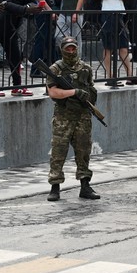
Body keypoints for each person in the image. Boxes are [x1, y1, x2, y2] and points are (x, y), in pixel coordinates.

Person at [45, 36, 100, 202]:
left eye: (73, 48)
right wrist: (73, 92)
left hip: (82, 115)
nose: (71, 51)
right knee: (58, 151)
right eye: (67, 48)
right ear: (62, 49)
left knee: (83, 151)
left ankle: (85, 185)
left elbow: (91, 89)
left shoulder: (86, 69)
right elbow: (53, 92)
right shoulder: (55, 69)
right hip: (63, 116)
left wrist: (87, 96)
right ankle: (55, 187)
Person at [0, 0, 42, 96]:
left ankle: (17, 86)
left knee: (15, 56)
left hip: (12, 25)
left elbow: (32, 1)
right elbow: (5, 3)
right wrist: (26, 9)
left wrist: (32, 7)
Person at [93, 0, 132, 87]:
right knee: (108, 46)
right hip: (108, 12)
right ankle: (110, 76)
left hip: (118, 11)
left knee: (123, 44)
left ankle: (130, 76)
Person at [30, 0, 57, 72]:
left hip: (46, 9)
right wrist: (49, 9)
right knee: (41, 39)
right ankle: (36, 68)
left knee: (48, 39)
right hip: (42, 11)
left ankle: (51, 65)